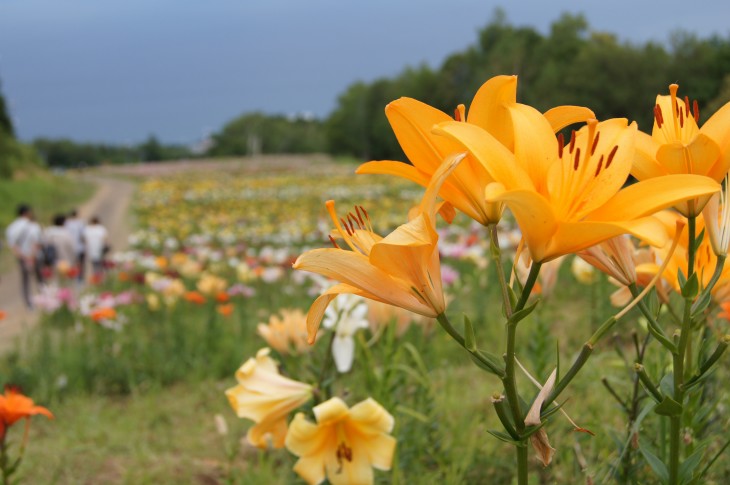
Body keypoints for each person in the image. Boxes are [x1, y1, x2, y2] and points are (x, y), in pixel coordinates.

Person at [5, 204, 42, 309]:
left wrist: (24, 257)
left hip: (22, 258)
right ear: (27, 213)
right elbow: (37, 243)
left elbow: (13, 246)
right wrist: (31, 257)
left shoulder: (11, 227)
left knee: (25, 281)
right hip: (35, 257)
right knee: (40, 279)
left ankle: (28, 303)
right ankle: (45, 299)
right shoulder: (33, 226)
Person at [42, 214, 76, 282]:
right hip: (65, 261)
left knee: (54, 282)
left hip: (52, 262)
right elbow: (72, 249)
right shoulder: (66, 234)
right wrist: (74, 261)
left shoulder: (48, 232)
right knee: (66, 283)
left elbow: (44, 246)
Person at [64, 209, 86, 281]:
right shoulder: (80, 223)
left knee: (71, 264)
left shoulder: (67, 223)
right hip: (79, 246)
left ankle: (72, 278)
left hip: (69, 247)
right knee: (80, 264)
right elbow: (83, 235)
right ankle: (79, 279)